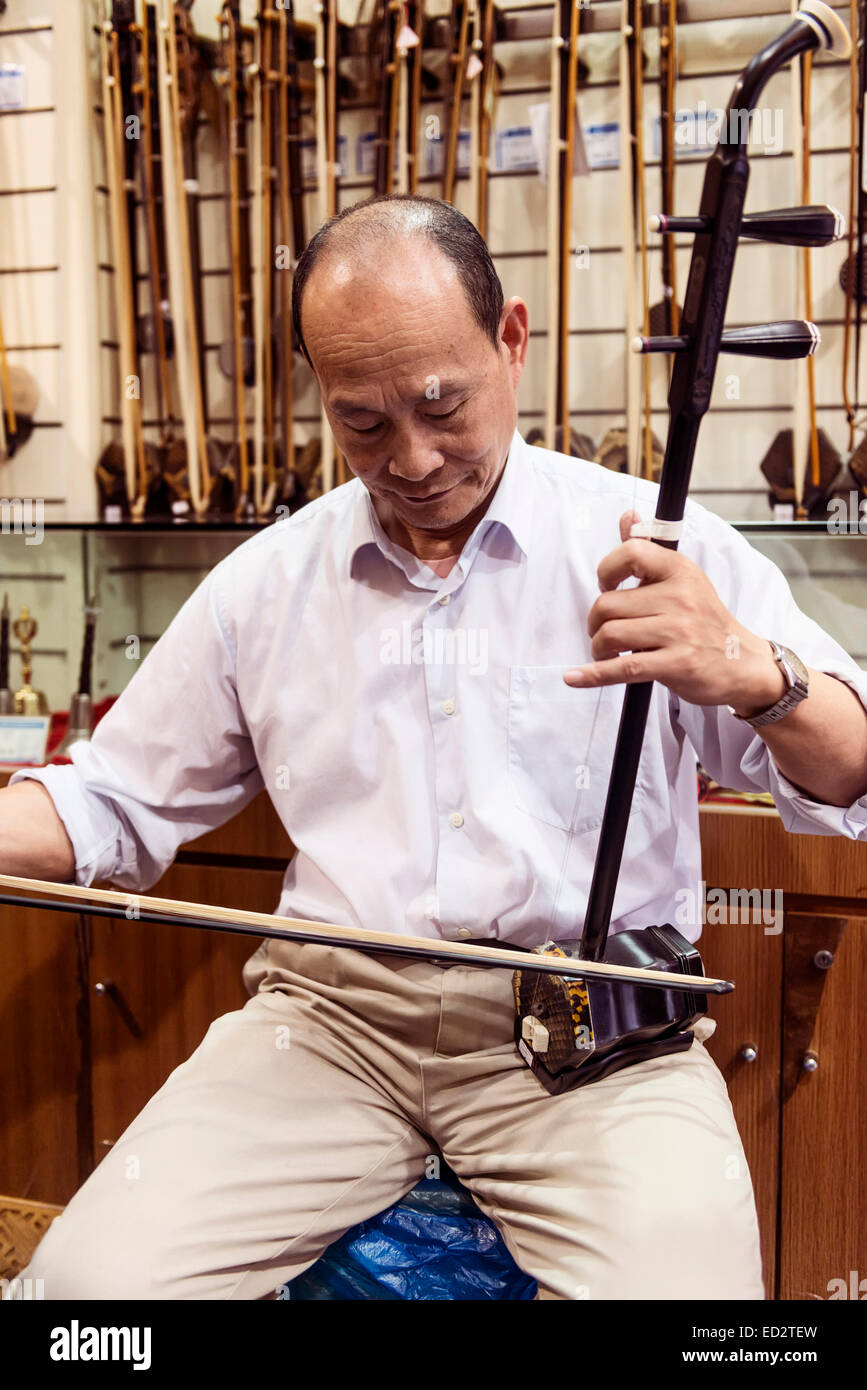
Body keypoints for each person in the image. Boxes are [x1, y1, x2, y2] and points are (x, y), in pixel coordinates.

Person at [5, 195, 867, 1301]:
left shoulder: (655, 544)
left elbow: (848, 768)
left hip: (589, 1040)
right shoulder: (265, 585)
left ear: (510, 341)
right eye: (363, 422)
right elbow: (111, 805)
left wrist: (759, 675)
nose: (411, 458)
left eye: (440, 403)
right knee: (86, 1302)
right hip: (325, 1030)